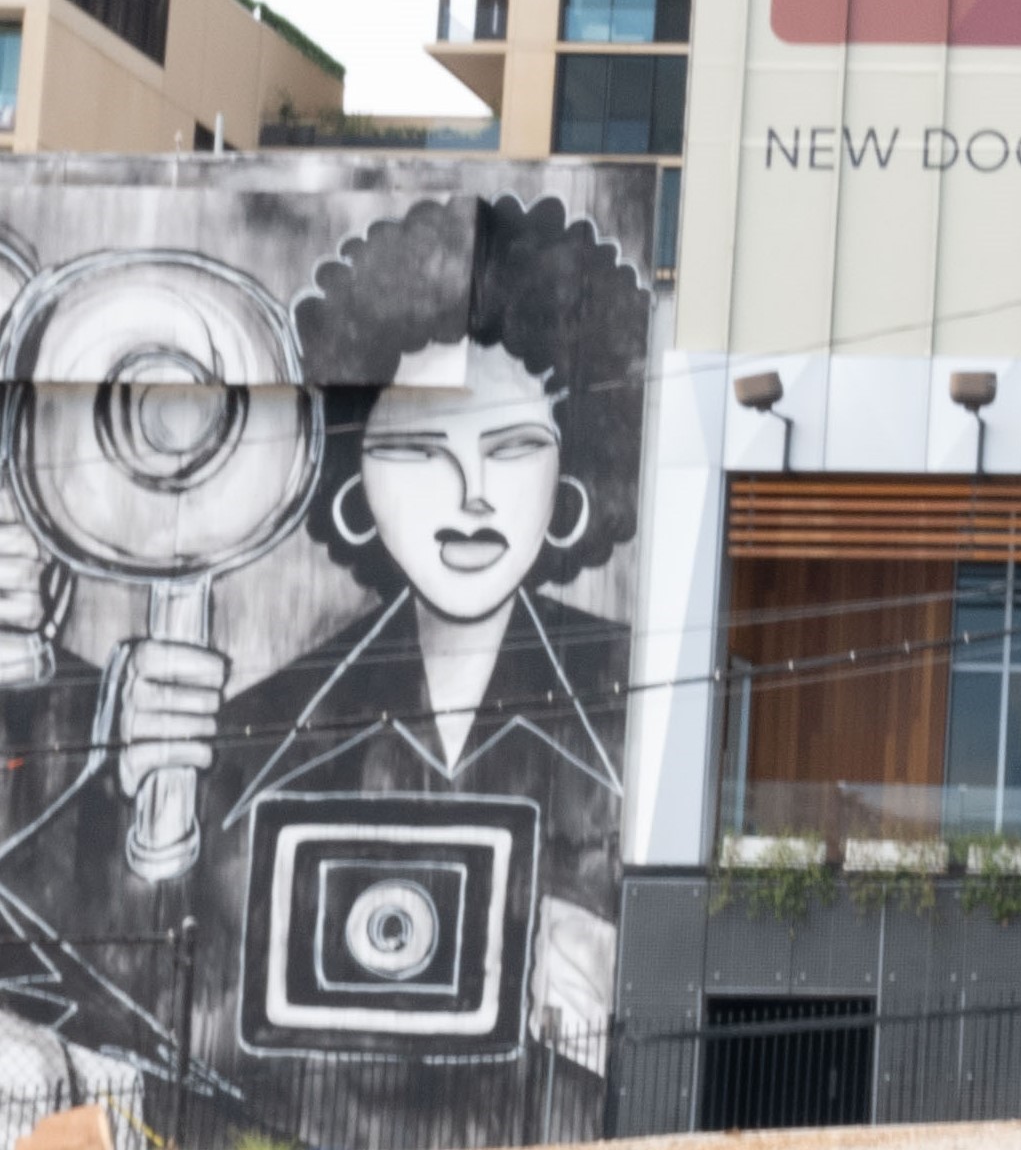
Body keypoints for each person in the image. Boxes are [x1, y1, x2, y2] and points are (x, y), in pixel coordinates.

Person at [99, 193, 649, 1146]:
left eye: (514, 448)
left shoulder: (639, 702)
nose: (472, 496)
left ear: (573, 479)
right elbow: (165, 1015)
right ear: (355, 483)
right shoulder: (262, 726)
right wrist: (151, 825)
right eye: (420, 448)